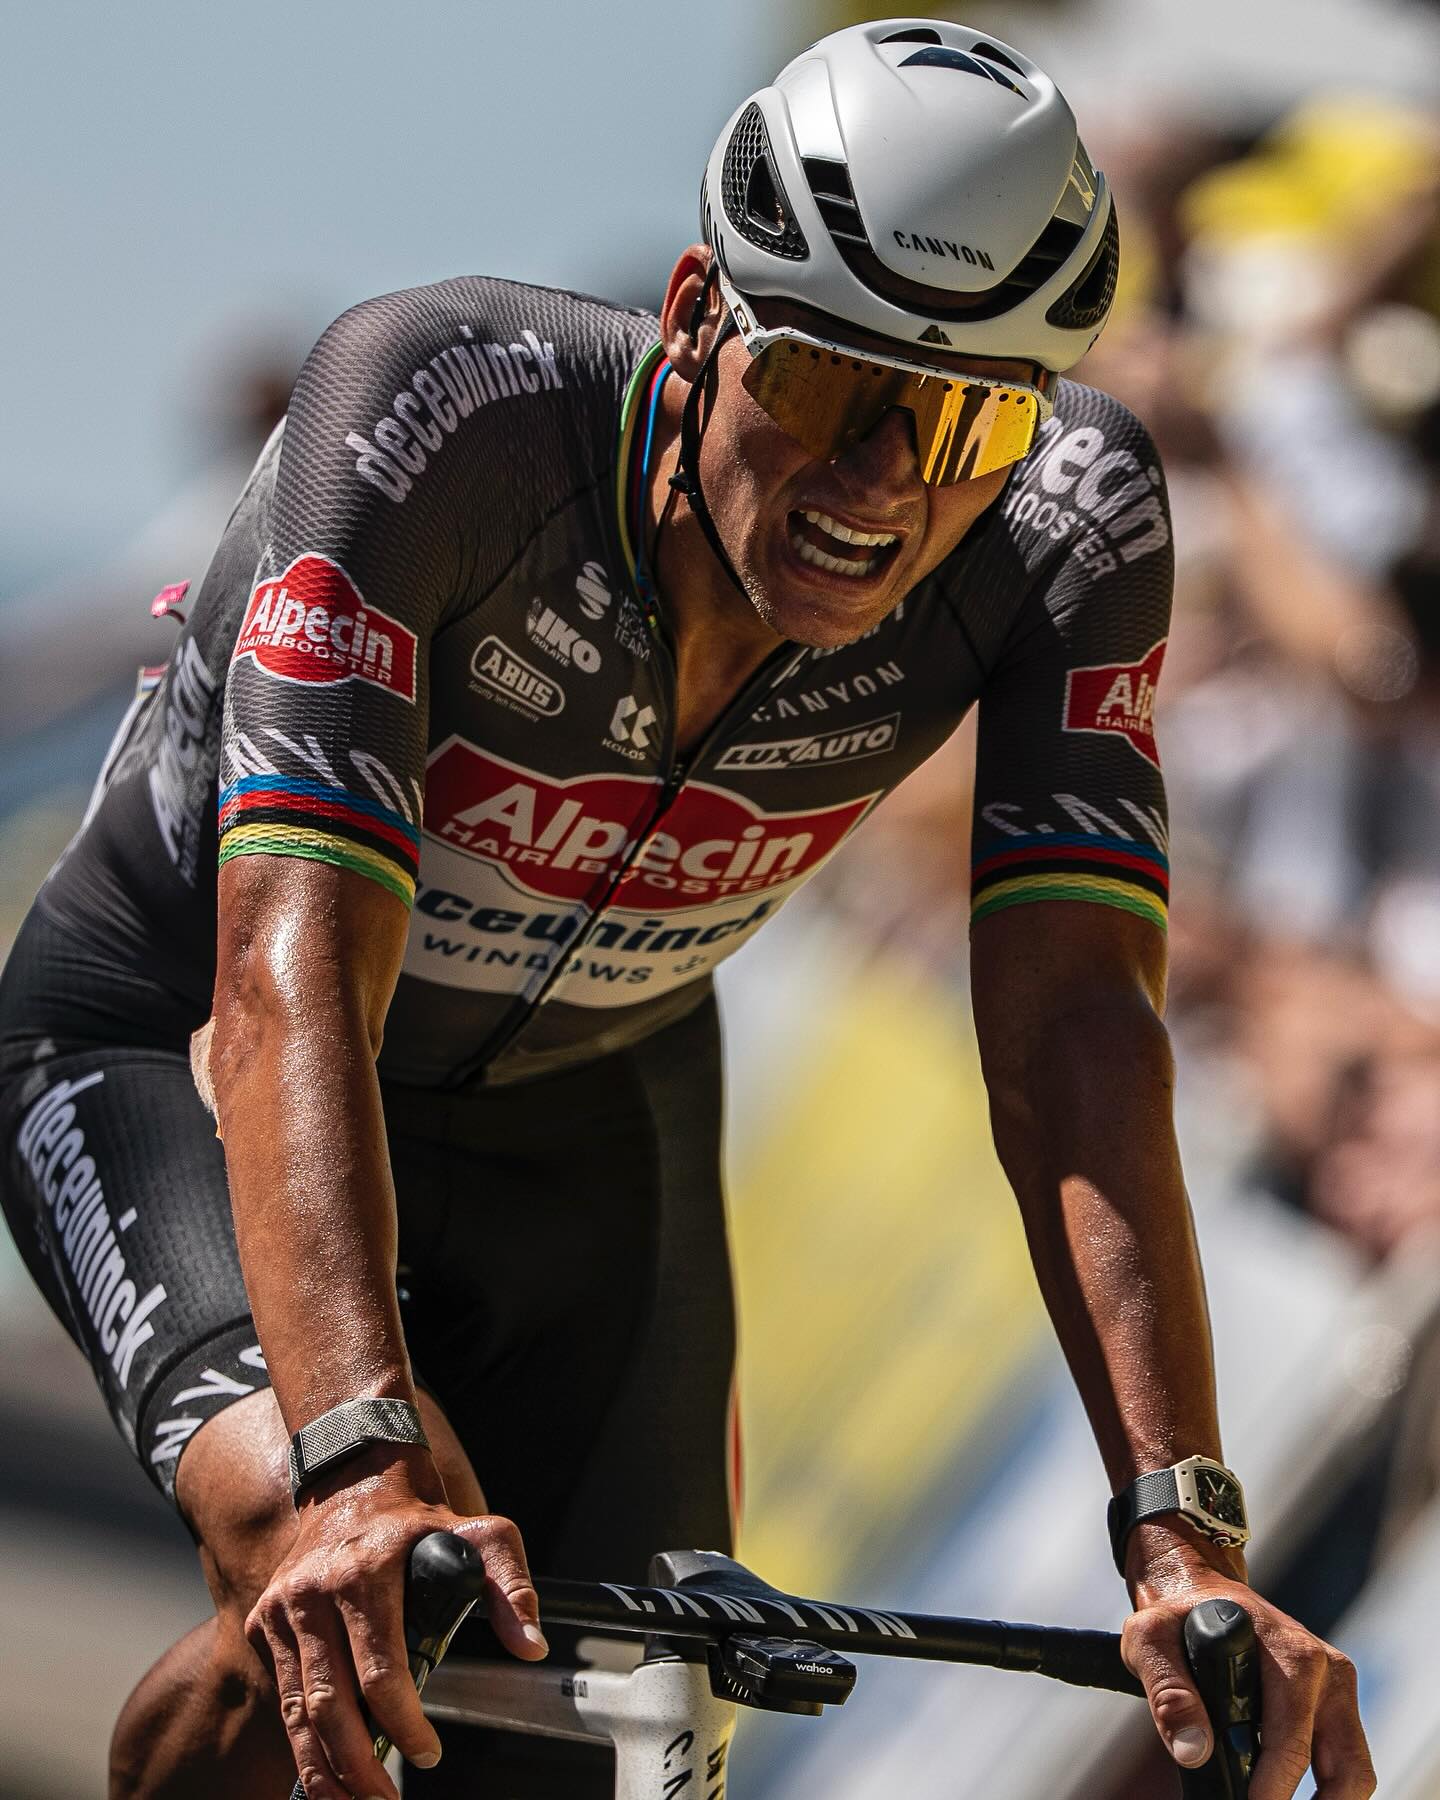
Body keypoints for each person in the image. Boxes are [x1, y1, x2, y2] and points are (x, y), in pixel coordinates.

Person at [0, 20, 1374, 1800]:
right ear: (695, 312)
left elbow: (1077, 1031)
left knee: (628, 1707)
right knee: (330, 1571)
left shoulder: (1072, 526)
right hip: (178, 1048)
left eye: (964, 417)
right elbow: (287, 981)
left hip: (593, 1108)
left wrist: (1183, 1533)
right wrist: (357, 1460)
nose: (879, 479)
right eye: (822, 385)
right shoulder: (440, 412)